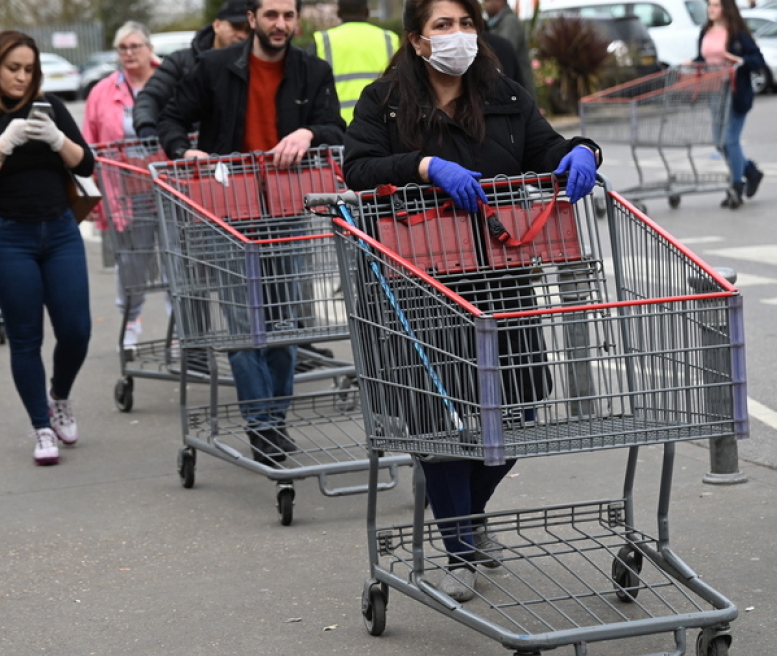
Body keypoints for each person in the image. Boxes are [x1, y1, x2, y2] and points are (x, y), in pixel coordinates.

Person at [342, 0, 600, 602]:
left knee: (522, 401)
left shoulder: (502, 94)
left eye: (465, 24)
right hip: (422, 283)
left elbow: (547, 148)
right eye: (443, 26)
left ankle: (463, 511)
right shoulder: (385, 102)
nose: (458, 35)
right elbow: (357, 168)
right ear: (416, 39)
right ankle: (459, 549)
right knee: (441, 419)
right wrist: (424, 165)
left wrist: (583, 151)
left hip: (502, 277)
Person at [157, 0, 345, 465]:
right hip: (229, 212)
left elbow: (335, 127)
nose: (280, 24)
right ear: (253, 19)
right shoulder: (215, 67)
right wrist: (185, 152)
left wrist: (308, 134)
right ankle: (262, 426)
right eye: (271, 15)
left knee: (282, 326)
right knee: (246, 326)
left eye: (288, 16)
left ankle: (274, 420)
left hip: (287, 209)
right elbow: (171, 118)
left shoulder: (313, 71)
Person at [0, 30, 95, 466]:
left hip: (59, 231)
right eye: (13, 68)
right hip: (7, 238)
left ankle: (59, 397)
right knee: (25, 337)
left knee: (76, 329)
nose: (22, 77)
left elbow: (86, 163)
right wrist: (4, 143)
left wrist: (55, 138)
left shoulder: (49, 108)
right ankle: (41, 427)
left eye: (29, 70)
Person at [83, 21, 161, 351]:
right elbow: (88, 144)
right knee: (131, 260)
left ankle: (181, 323)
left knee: (176, 260)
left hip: (168, 187)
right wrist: (89, 194)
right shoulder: (102, 91)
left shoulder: (169, 81)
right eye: (122, 48)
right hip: (126, 192)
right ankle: (130, 319)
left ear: (149, 49)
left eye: (135, 46)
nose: (129, 53)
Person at [132, 0, 252, 142]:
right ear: (217, 25)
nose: (242, 35)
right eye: (236, 27)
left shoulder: (252, 66)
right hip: (186, 147)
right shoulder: (180, 62)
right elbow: (152, 95)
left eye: (248, 30)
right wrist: (146, 126)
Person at [693, 0, 765, 208]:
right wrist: (694, 63)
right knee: (719, 142)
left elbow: (757, 60)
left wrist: (737, 59)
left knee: (730, 140)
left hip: (735, 92)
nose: (711, 9)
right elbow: (703, 58)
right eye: (710, 5)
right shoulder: (706, 31)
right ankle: (749, 171)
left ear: (726, 8)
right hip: (715, 91)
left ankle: (736, 186)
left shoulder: (737, 33)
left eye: (716, 5)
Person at [312, 0, 400, 124]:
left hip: (338, 124)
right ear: (367, 12)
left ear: (338, 13)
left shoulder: (323, 40)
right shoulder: (390, 39)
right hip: (380, 122)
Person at [481, 0, 535, 95]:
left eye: (488, 1)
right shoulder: (496, 22)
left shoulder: (509, 22)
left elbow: (502, 53)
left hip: (518, 92)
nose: (485, 4)